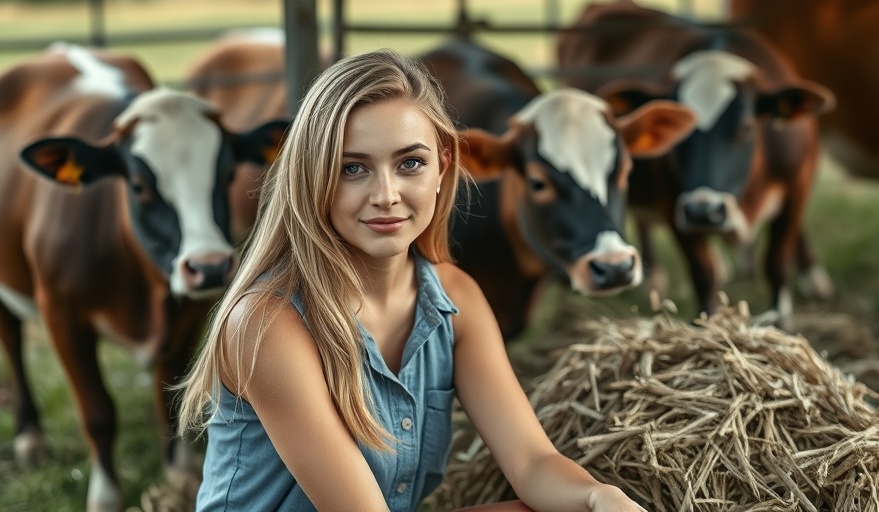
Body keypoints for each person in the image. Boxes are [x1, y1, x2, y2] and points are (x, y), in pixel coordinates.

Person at [177, 48, 648, 512]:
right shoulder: (267, 324)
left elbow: (530, 461)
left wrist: (596, 497)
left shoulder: (455, 296)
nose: (386, 195)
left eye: (410, 164)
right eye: (353, 168)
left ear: (444, 167)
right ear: (312, 175)